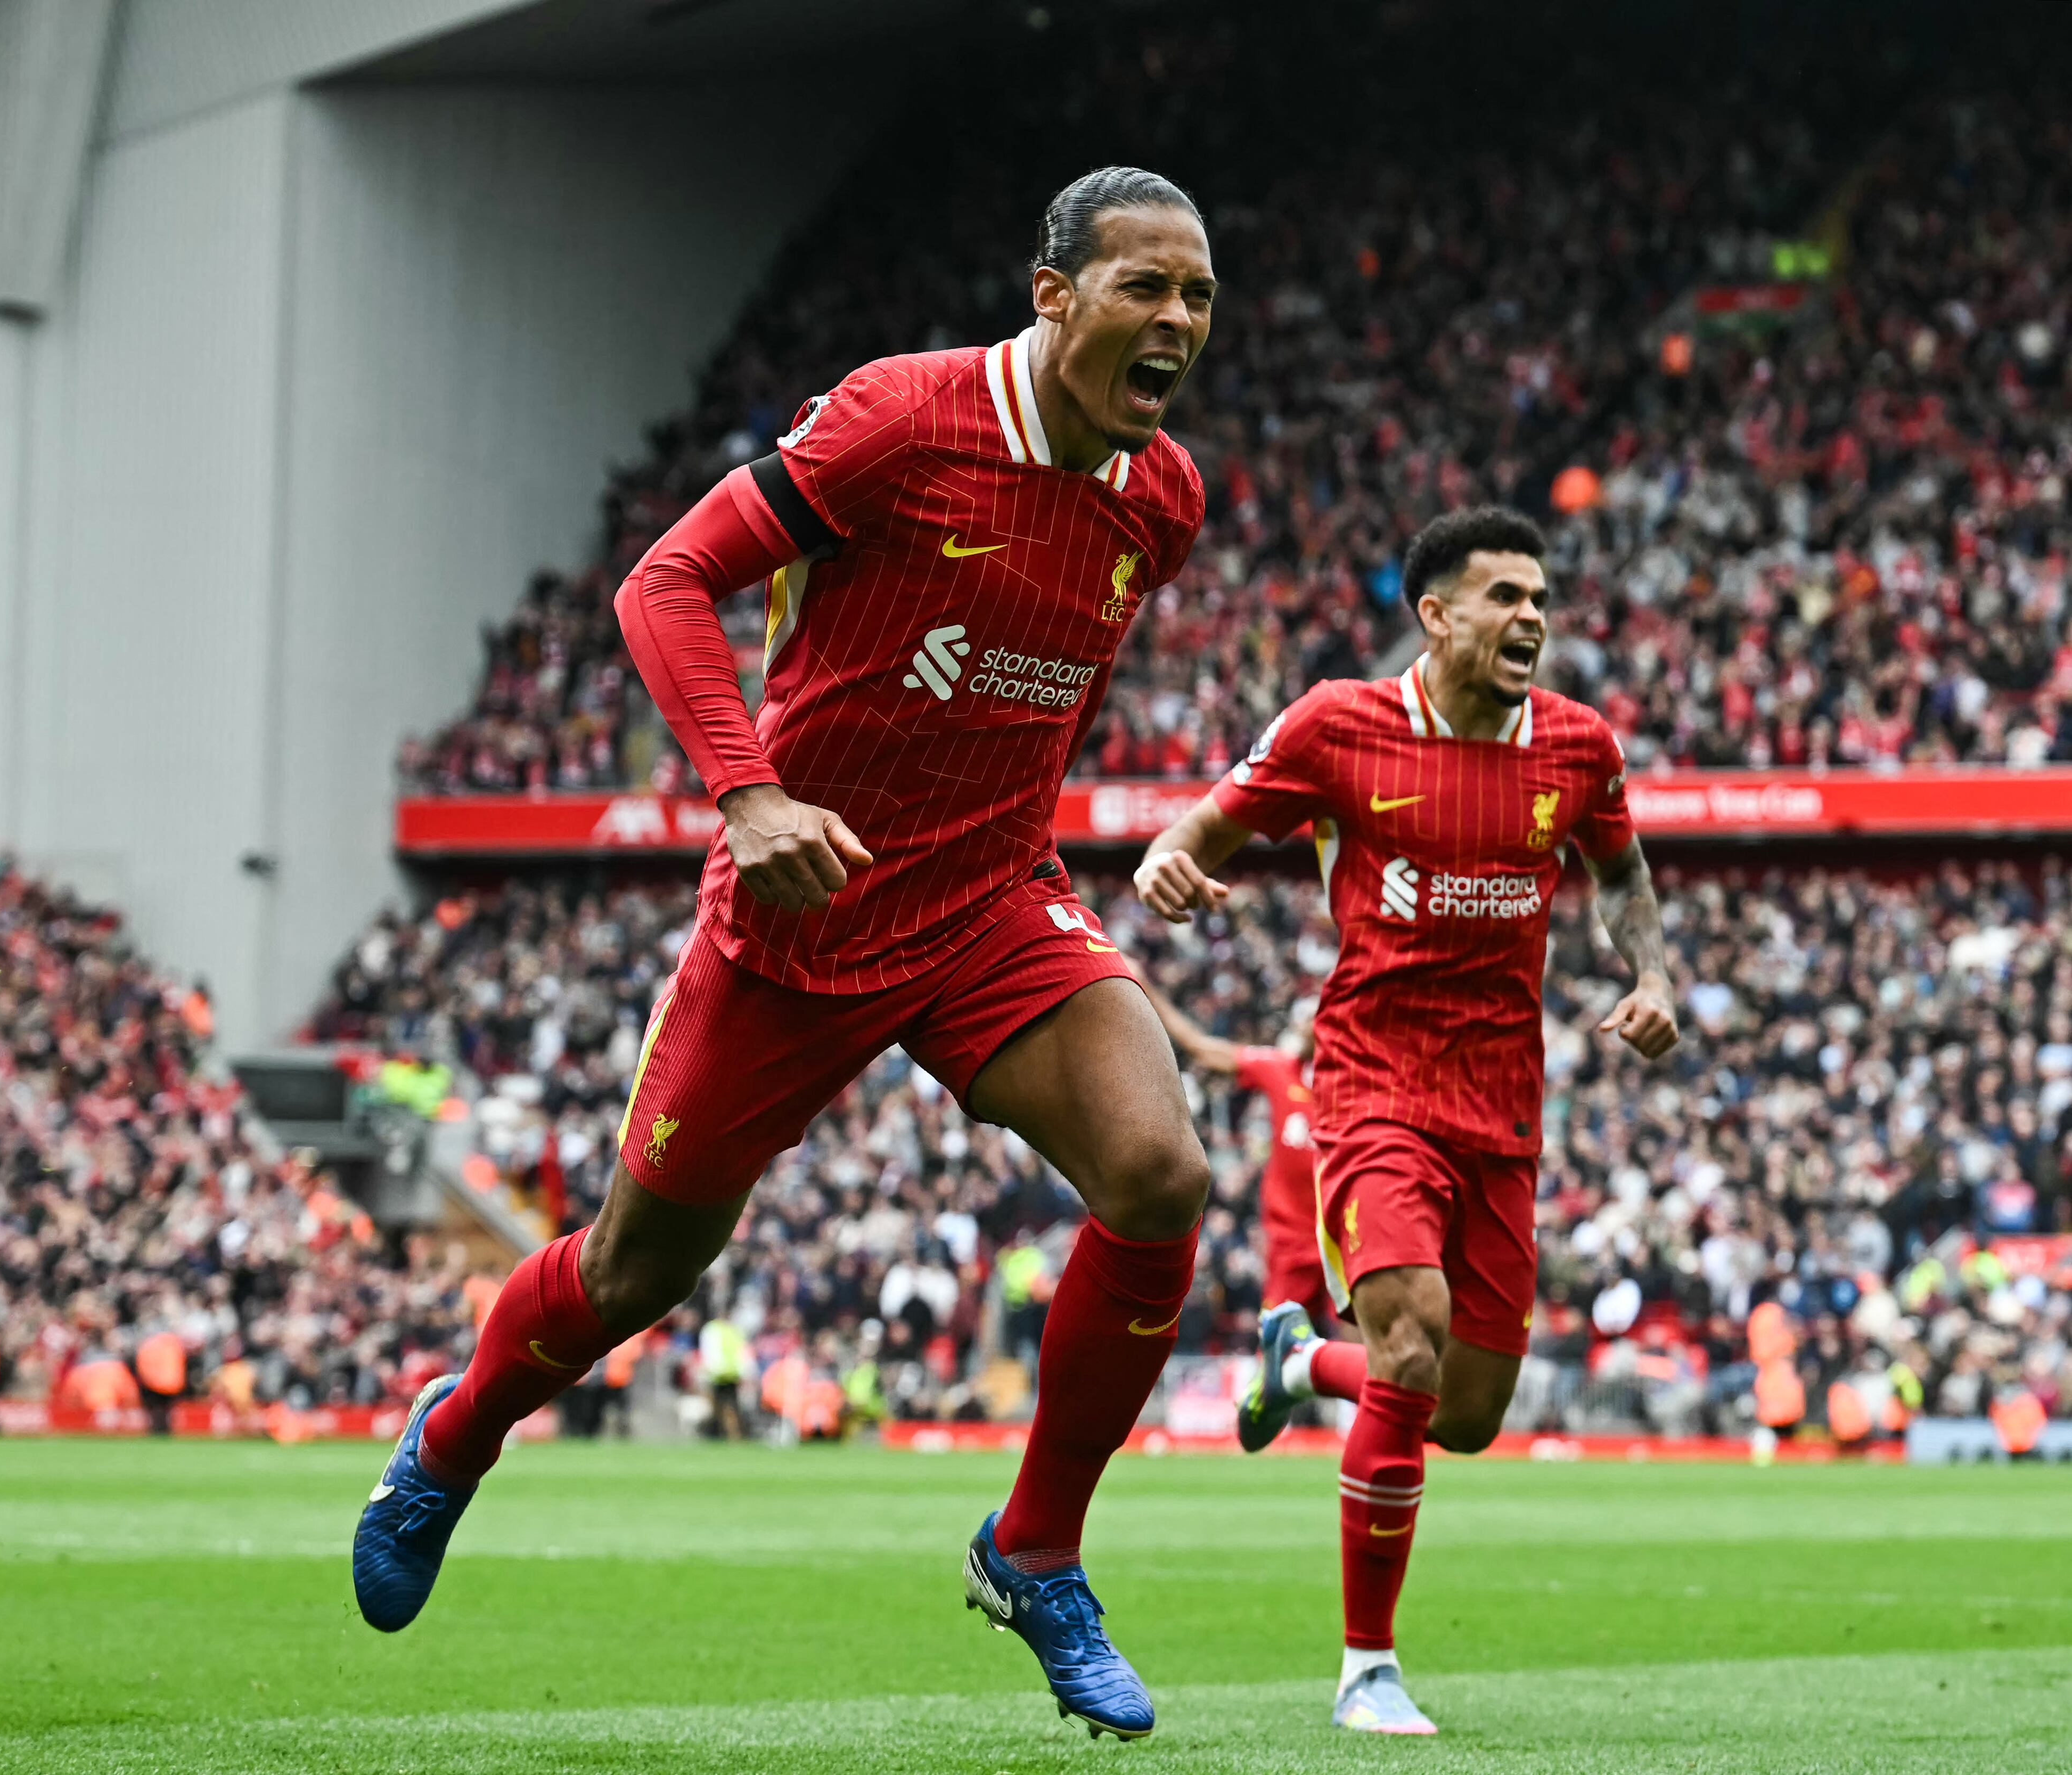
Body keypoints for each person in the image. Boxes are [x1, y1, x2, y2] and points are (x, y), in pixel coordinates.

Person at [354, 165, 1219, 1743]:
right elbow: (664, 582)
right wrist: (745, 795)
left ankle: (1033, 1549)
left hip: (984, 909)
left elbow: (1004, 706)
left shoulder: (1158, 500)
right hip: (796, 919)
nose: (1175, 322)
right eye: (1143, 288)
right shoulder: (901, 422)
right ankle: (454, 1439)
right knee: (629, 1276)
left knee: (1161, 1174)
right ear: (1051, 295)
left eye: (1196, 297)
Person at [1131, 506, 1679, 1736]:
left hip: (1504, 1107)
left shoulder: (1579, 749)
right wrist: (1171, 853)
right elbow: (1207, 818)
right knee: (1414, 1343)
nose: (1530, 616)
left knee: (1469, 1414)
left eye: (1539, 597)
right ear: (1436, 616)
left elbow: (1622, 873)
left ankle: (1293, 1363)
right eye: (1502, 596)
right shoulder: (1342, 726)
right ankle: (1365, 1669)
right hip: (1372, 1084)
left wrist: (1649, 976)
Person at [1144, 988, 1346, 1385]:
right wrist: (1147, 986)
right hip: (1291, 1244)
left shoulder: (1357, 1085)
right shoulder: (1278, 1067)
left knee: (1363, 1342)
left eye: (1311, 1016)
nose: (1302, 1024)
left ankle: (1359, 1425)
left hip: (1345, 1239)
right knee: (1273, 1350)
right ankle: (1270, 1421)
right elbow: (1201, 1047)